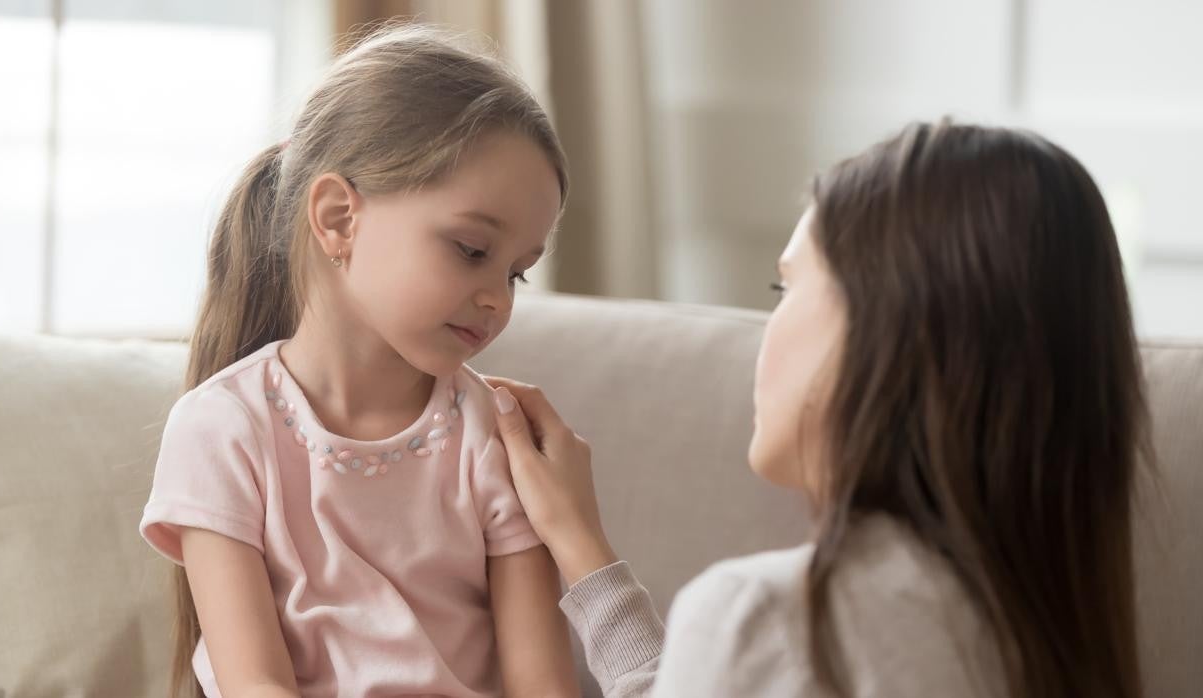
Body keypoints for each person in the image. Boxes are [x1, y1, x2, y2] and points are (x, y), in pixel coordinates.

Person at [489, 120, 1147, 698]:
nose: (768, 329)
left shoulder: (769, 619)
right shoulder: (1043, 632)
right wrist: (582, 546)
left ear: (885, 329)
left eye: (787, 288)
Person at [139, 25, 579, 698]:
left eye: (517, 273)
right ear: (339, 218)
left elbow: (542, 686)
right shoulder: (221, 430)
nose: (497, 298)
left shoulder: (493, 433)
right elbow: (255, 683)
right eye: (471, 250)